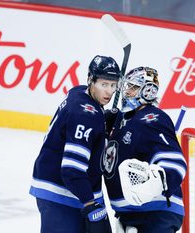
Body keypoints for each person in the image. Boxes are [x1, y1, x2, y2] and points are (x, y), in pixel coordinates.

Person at [29, 55, 121, 233]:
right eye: (103, 84)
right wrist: (89, 203)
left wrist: (103, 120)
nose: (109, 92)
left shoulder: (78, 92)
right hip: (62, 193)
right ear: (90, 80)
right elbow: (72, 170)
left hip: (66, 186)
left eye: (112, 85)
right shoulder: (86, 116)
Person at [101, 66, 187, 233]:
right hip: (133, 214)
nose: (127, 92)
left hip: (155, 212)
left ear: (147, 91)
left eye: (132, 87)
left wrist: (157, 182)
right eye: (128, 87)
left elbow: (175, 163)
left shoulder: (152, 119)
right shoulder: (125, 119)